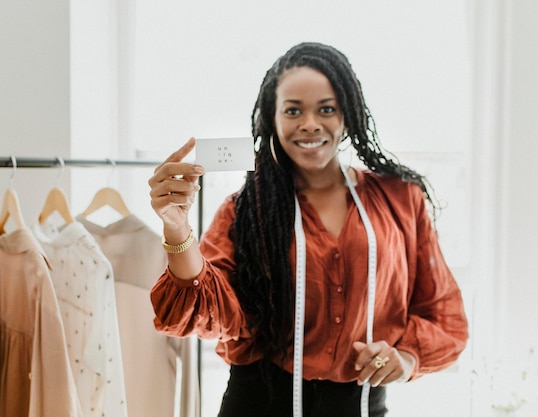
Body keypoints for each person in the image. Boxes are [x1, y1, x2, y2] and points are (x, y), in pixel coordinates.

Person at [147, 42, 469, 417]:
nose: (310, 124)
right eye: (293, 111)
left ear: (348, 114)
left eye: (326, 109)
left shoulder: (400, 200)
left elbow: (443, 315)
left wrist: (407, 359)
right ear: (273, 118)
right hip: (259, 402)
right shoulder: (245, 211)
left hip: (360, 405)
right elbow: (210, 310)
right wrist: (176, 227)